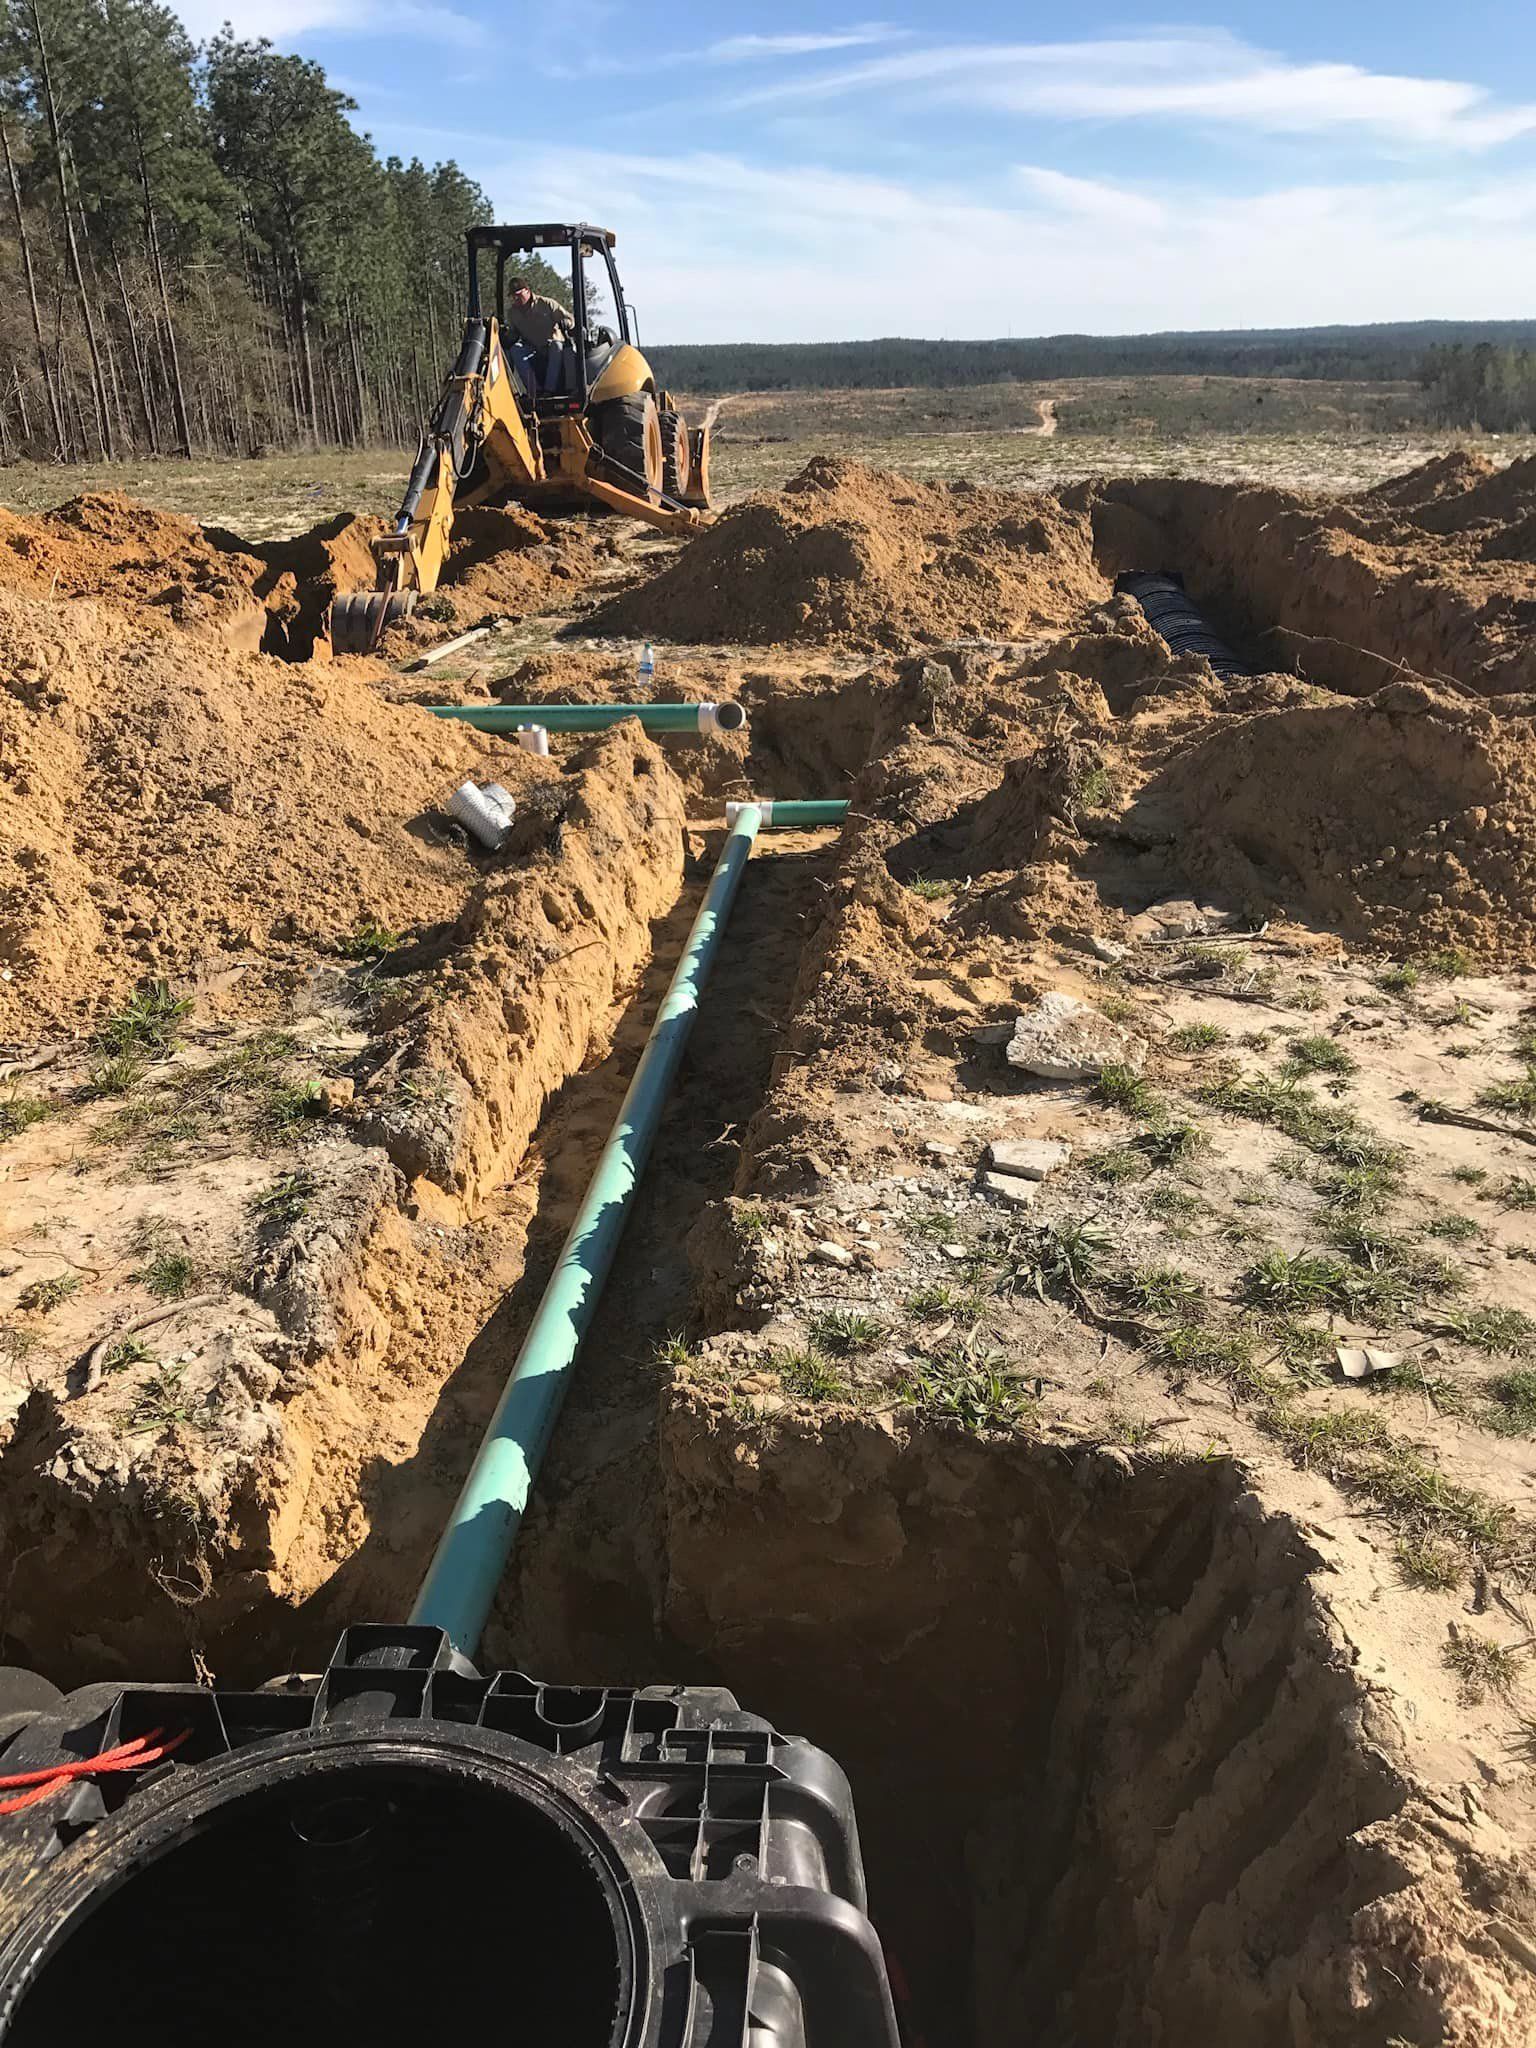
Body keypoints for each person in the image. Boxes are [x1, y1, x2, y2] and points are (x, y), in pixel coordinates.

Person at [506, 276, 574, 395]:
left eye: (518, 295)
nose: (515, 299)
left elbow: (570, 319)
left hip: (552, 345)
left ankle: (549, 390)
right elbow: (513, 333)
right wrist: (505, 337)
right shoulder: (513, 313)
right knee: (515, 350)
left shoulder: (546, 303)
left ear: (527, 291)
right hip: (533, 348)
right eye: (513, 296)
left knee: (556, 346)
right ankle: (534, 390)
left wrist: (566, 323)